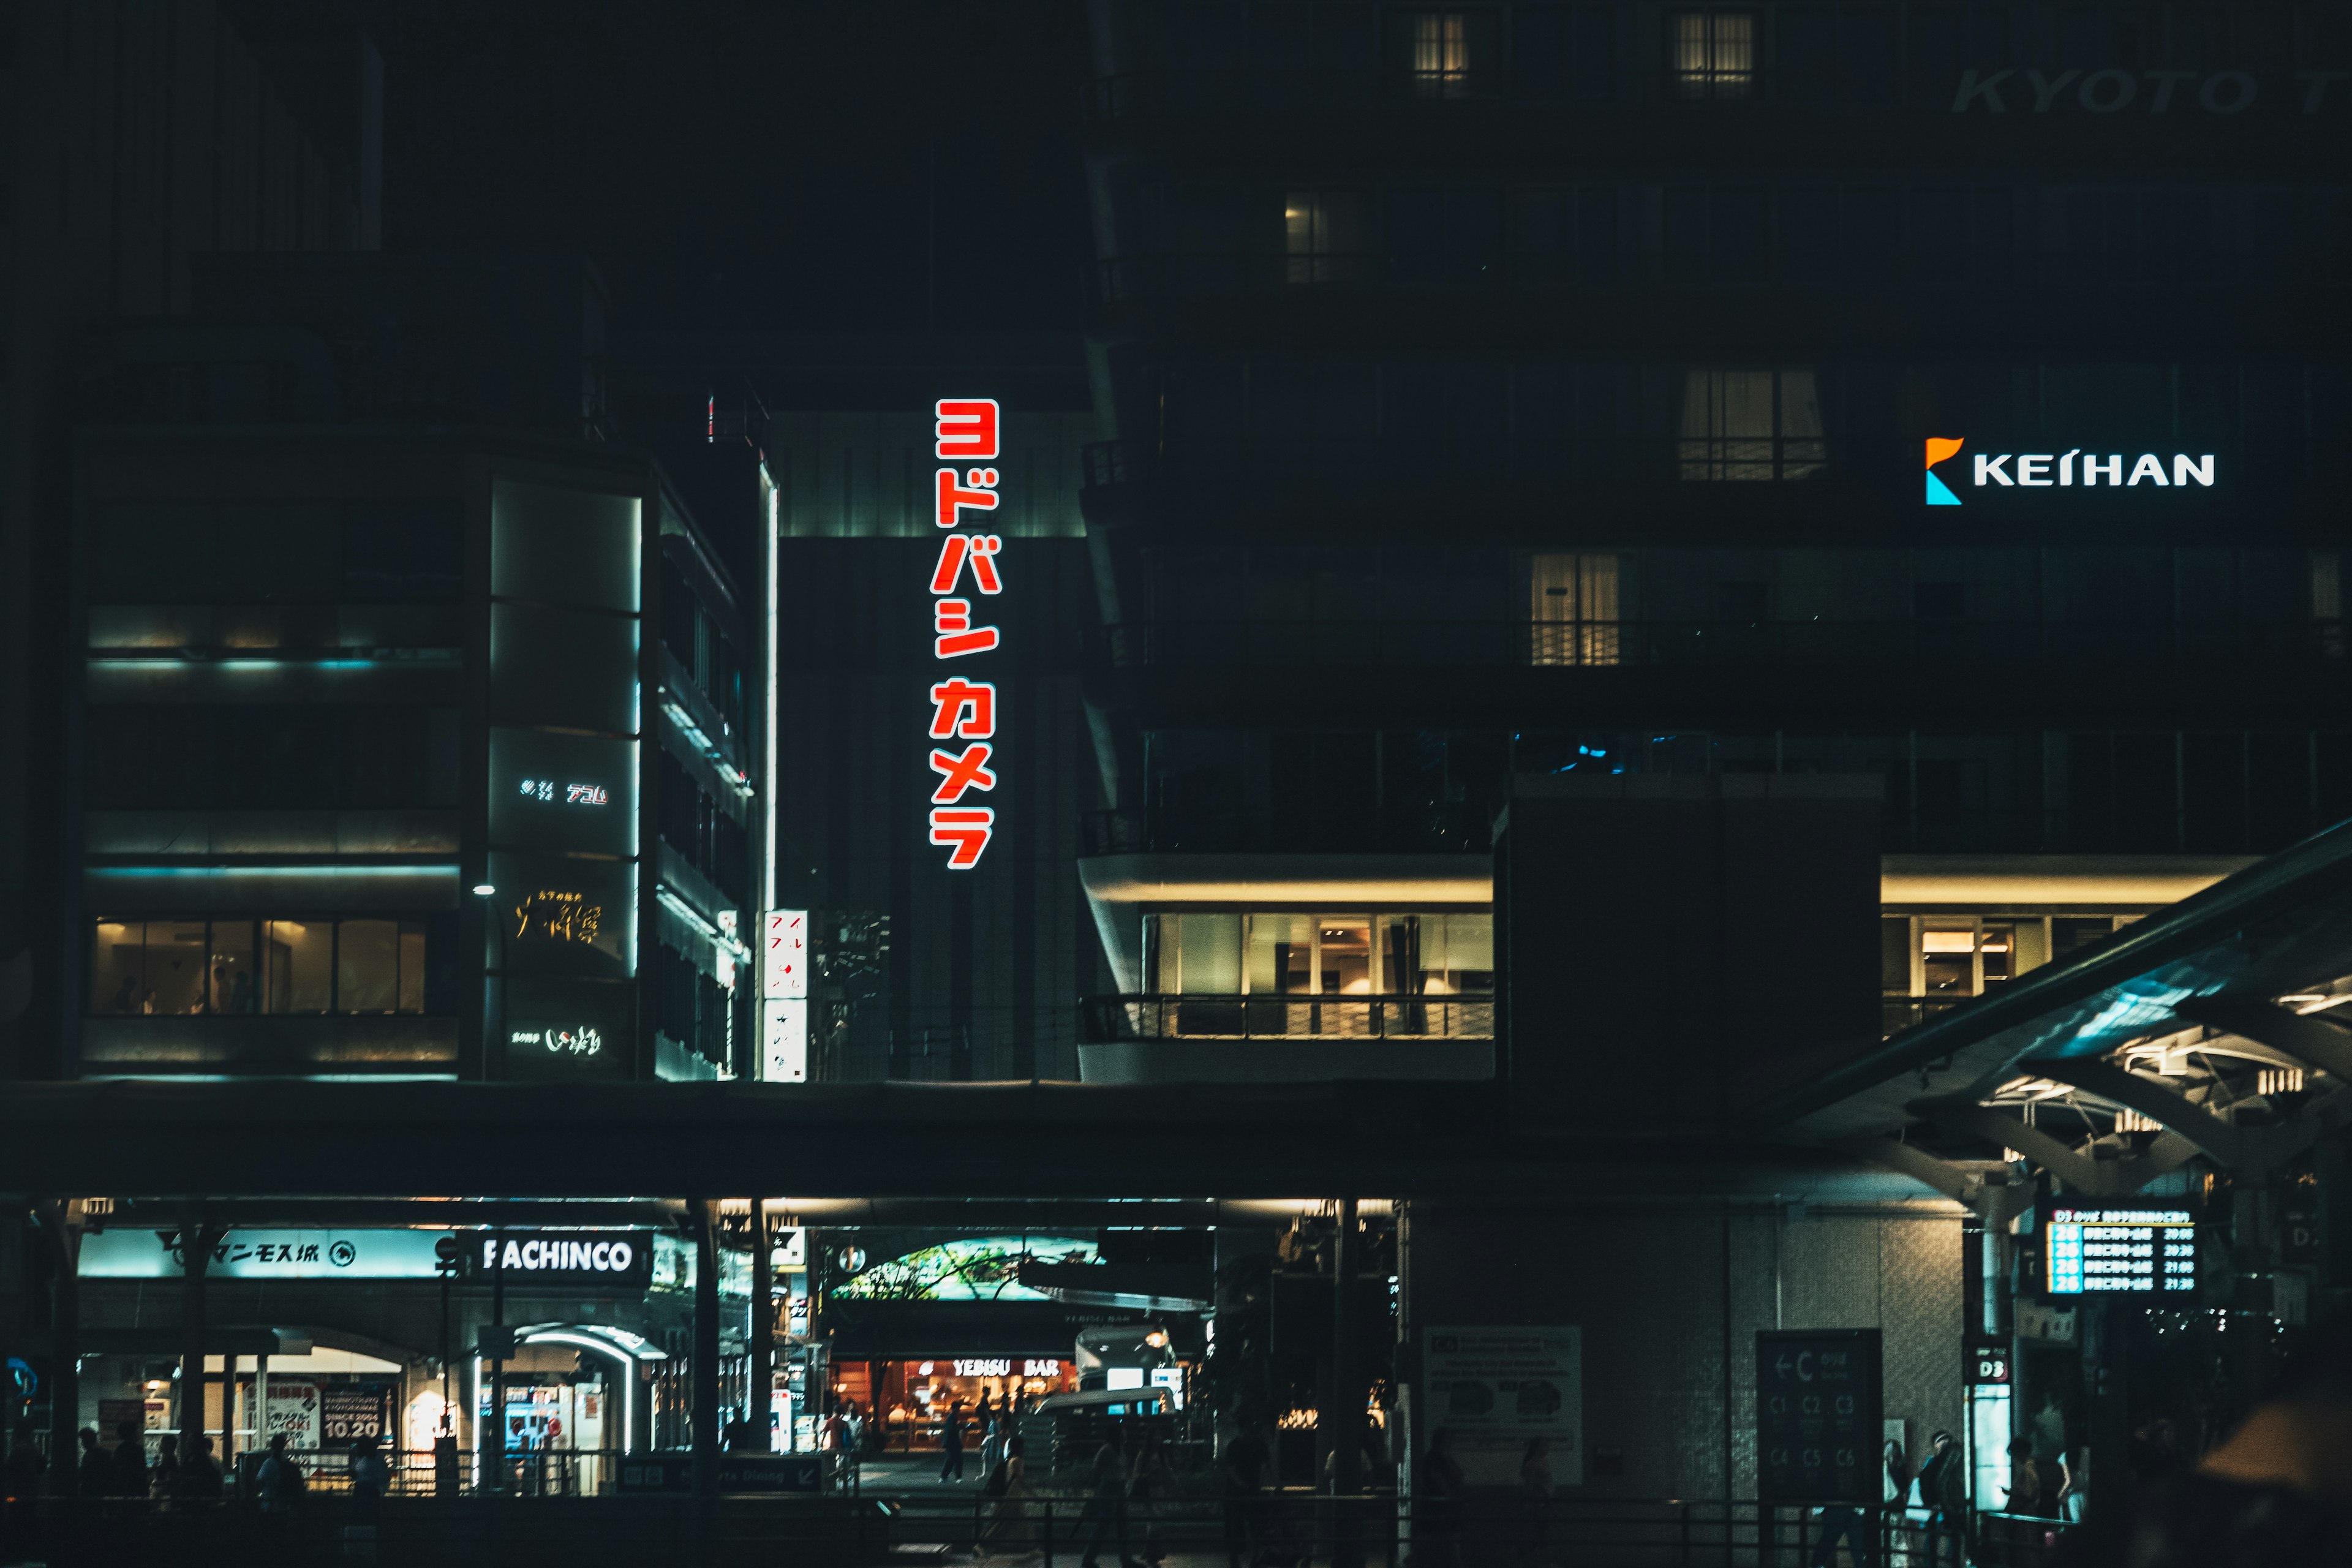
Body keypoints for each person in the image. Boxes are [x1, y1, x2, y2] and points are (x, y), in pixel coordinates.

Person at [1080, 1423, 1139, 1568]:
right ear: (1118, 1435)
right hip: (1109, 1489)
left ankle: (1123, 1559)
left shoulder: (1117, 1450)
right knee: (1105, 1526)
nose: (1126, 1434)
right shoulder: (1108, 1450)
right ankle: (1090, 1560)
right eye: (1123, 1432)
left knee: (1118, 1526)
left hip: (1116, 1488)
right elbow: (1097, 1470)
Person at [1915, 1430, 1966, 1567]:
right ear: (1935, 1445)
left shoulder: (1938, 1463)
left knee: (1949, 1543)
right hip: (1940, 1510)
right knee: (1937, 1542)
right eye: (1940, 1441)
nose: (1944, 1443)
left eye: (1946, 1439)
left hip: (1945, 1510)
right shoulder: (1934, 1462)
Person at [1418, 1427, 1467, 1568]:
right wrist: (1451, 1496)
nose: (1451, 1442)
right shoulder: (1435, 1457)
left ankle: (1453, 1561)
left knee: (1441, 1533)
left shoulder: (1442, 1457)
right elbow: (1438, 1478)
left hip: (1442, 1503)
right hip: (1439, 1503)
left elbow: (1457, 1475)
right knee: (1437, 1533)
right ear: (1442, 1440)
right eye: (1448, 1439)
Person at [981, 1434, 1036, 1558]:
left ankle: (1032, 1549)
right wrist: (1034, 1496)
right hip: (1012, 1498)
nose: (1025, 1449)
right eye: (1023, 1447)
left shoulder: (1011, 1460)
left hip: (1013, 1498)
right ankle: (981, 1545)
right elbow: (1021, 1481)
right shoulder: (1017, 1461)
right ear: (1020, 1448)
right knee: (1000, 1524)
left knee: (1023, 1524)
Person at [1221, 1428, 1269, 1568]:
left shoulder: (1235, 1446)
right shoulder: (1258, 1445)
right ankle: (1253, 1558)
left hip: (1237, 1492)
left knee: (1236, 1527)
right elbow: (1266, 1466)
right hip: (1250, 1491)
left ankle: (1236, 1559)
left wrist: (1240, 1483)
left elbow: (1231, 1468)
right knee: (1253, 1526)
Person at [1131, 1434, 1175, 1567]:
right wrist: (1150, 1474)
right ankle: (1152, 1554)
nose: (1158, 1438)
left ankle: (1151, 1554)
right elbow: (1136, 1474)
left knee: (1155, 1522)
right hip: (1149, 1490)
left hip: (1158, 1489)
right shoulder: (1145, 1455)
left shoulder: (1158, 1455)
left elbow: (1168, 1471)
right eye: (1156, 1435)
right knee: (1154, 1522)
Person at [1520, 1437, 1555, 1568]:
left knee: (1541, 1534)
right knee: (1540, 1535)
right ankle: (1541, 1563)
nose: (1547, 1448)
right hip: (1539, 1505)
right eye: (1544, 1445)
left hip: (1544, 1503)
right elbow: (1529, 1487)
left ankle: (1540, 1563)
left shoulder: (1543, 1462)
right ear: (1536, 1448)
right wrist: (1534, 1504)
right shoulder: (1534, 1464)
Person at [256, 1433, 304, 1513]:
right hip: (285, 1506)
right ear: (284, 1446)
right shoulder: (290, 1465)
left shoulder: (269, 1464)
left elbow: (259, 1482)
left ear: (271, 1446)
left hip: (271, 1506)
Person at [349, 1433, 390, 1525]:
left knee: (365, 1515)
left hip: (368, 1490)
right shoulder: (363, 1458)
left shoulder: (371, 1459)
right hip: (365, 1489)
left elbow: (384, 1476)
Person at [175, 1434, 224, 1504]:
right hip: (195, 1496)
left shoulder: (202, 1459)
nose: (187, 1442)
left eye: (191, 1440)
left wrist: (184, 1478)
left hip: (199, 1497)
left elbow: (202, 1478)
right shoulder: (191, 1457)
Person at [2005, 1436, 2045, 1516]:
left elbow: (2030, 1492)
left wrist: (2015, 1493)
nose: (2013, 1458)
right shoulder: (2029, 1466)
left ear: (2020, 1452)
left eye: (2014, 1453)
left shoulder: (2028, 1468)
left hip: (2026, 1508)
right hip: (2027, 1507)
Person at [110, 1420, 147, 1501]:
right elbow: (140, 1470)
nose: (139, 1433)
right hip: (137, 1491)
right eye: (137, 1431)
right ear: (132, 1433)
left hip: (122, 1490)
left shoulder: (119, 1450)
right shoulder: (138, 1450)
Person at [75, 1427, 109, 1497]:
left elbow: (83, 1475)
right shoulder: (107, 1453)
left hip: (90, 1493)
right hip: (104, 1491)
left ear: (85, 1441)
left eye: (82, 1441)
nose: (81, 1444)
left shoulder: (88, 1456)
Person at [940, 1398, 968, 1482]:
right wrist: (961, 1426)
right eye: (958, 1409)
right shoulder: (952, 1418)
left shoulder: (951, 1417)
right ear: (955, 1409)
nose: (959, 1410)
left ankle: (945, 1477)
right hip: (953, 1442)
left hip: (950, 1442)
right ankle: (956, 1477)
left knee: (951, 1460)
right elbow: (953, 1430)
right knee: (957, 1460)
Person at [151, 1431, 181, 1500]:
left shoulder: (169, 1461)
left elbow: (170, 1480)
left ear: (167, 1446)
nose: (160, 1446)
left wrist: (157, 1483)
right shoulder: (169, 1459)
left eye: (162, 1443)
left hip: (165, 1496)